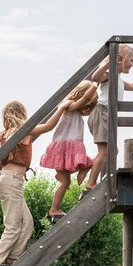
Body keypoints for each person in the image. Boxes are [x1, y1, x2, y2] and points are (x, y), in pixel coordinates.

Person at [0, 100, 70, 266]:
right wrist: (61, 108)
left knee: (27, 222)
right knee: (12, 226)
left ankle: (12, 258)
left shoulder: (6, 135)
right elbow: (48, 126)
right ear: (21, 114)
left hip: (8, 180)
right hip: (11, 180)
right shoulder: (23, 130)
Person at [84, 44, 133, 192]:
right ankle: (91, 183)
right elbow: (95, 77)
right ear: (121, 59)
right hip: (102, 113)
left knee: (113, 151)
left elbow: (132, 86)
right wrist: (110, 62)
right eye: (131, 60)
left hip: (108, 116)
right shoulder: (109, 74)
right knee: (104, 151)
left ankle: (99, 177)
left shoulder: (118, 78)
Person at [40, 81, 99, 221]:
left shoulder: (75, 111)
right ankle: (54, 209)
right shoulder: (69, 106)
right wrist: (95, 85)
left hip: (68, 148)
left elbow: (86, 105)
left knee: (71, 176)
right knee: (68, 180)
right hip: (65, 148)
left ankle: (64, 175)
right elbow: (84, 99)